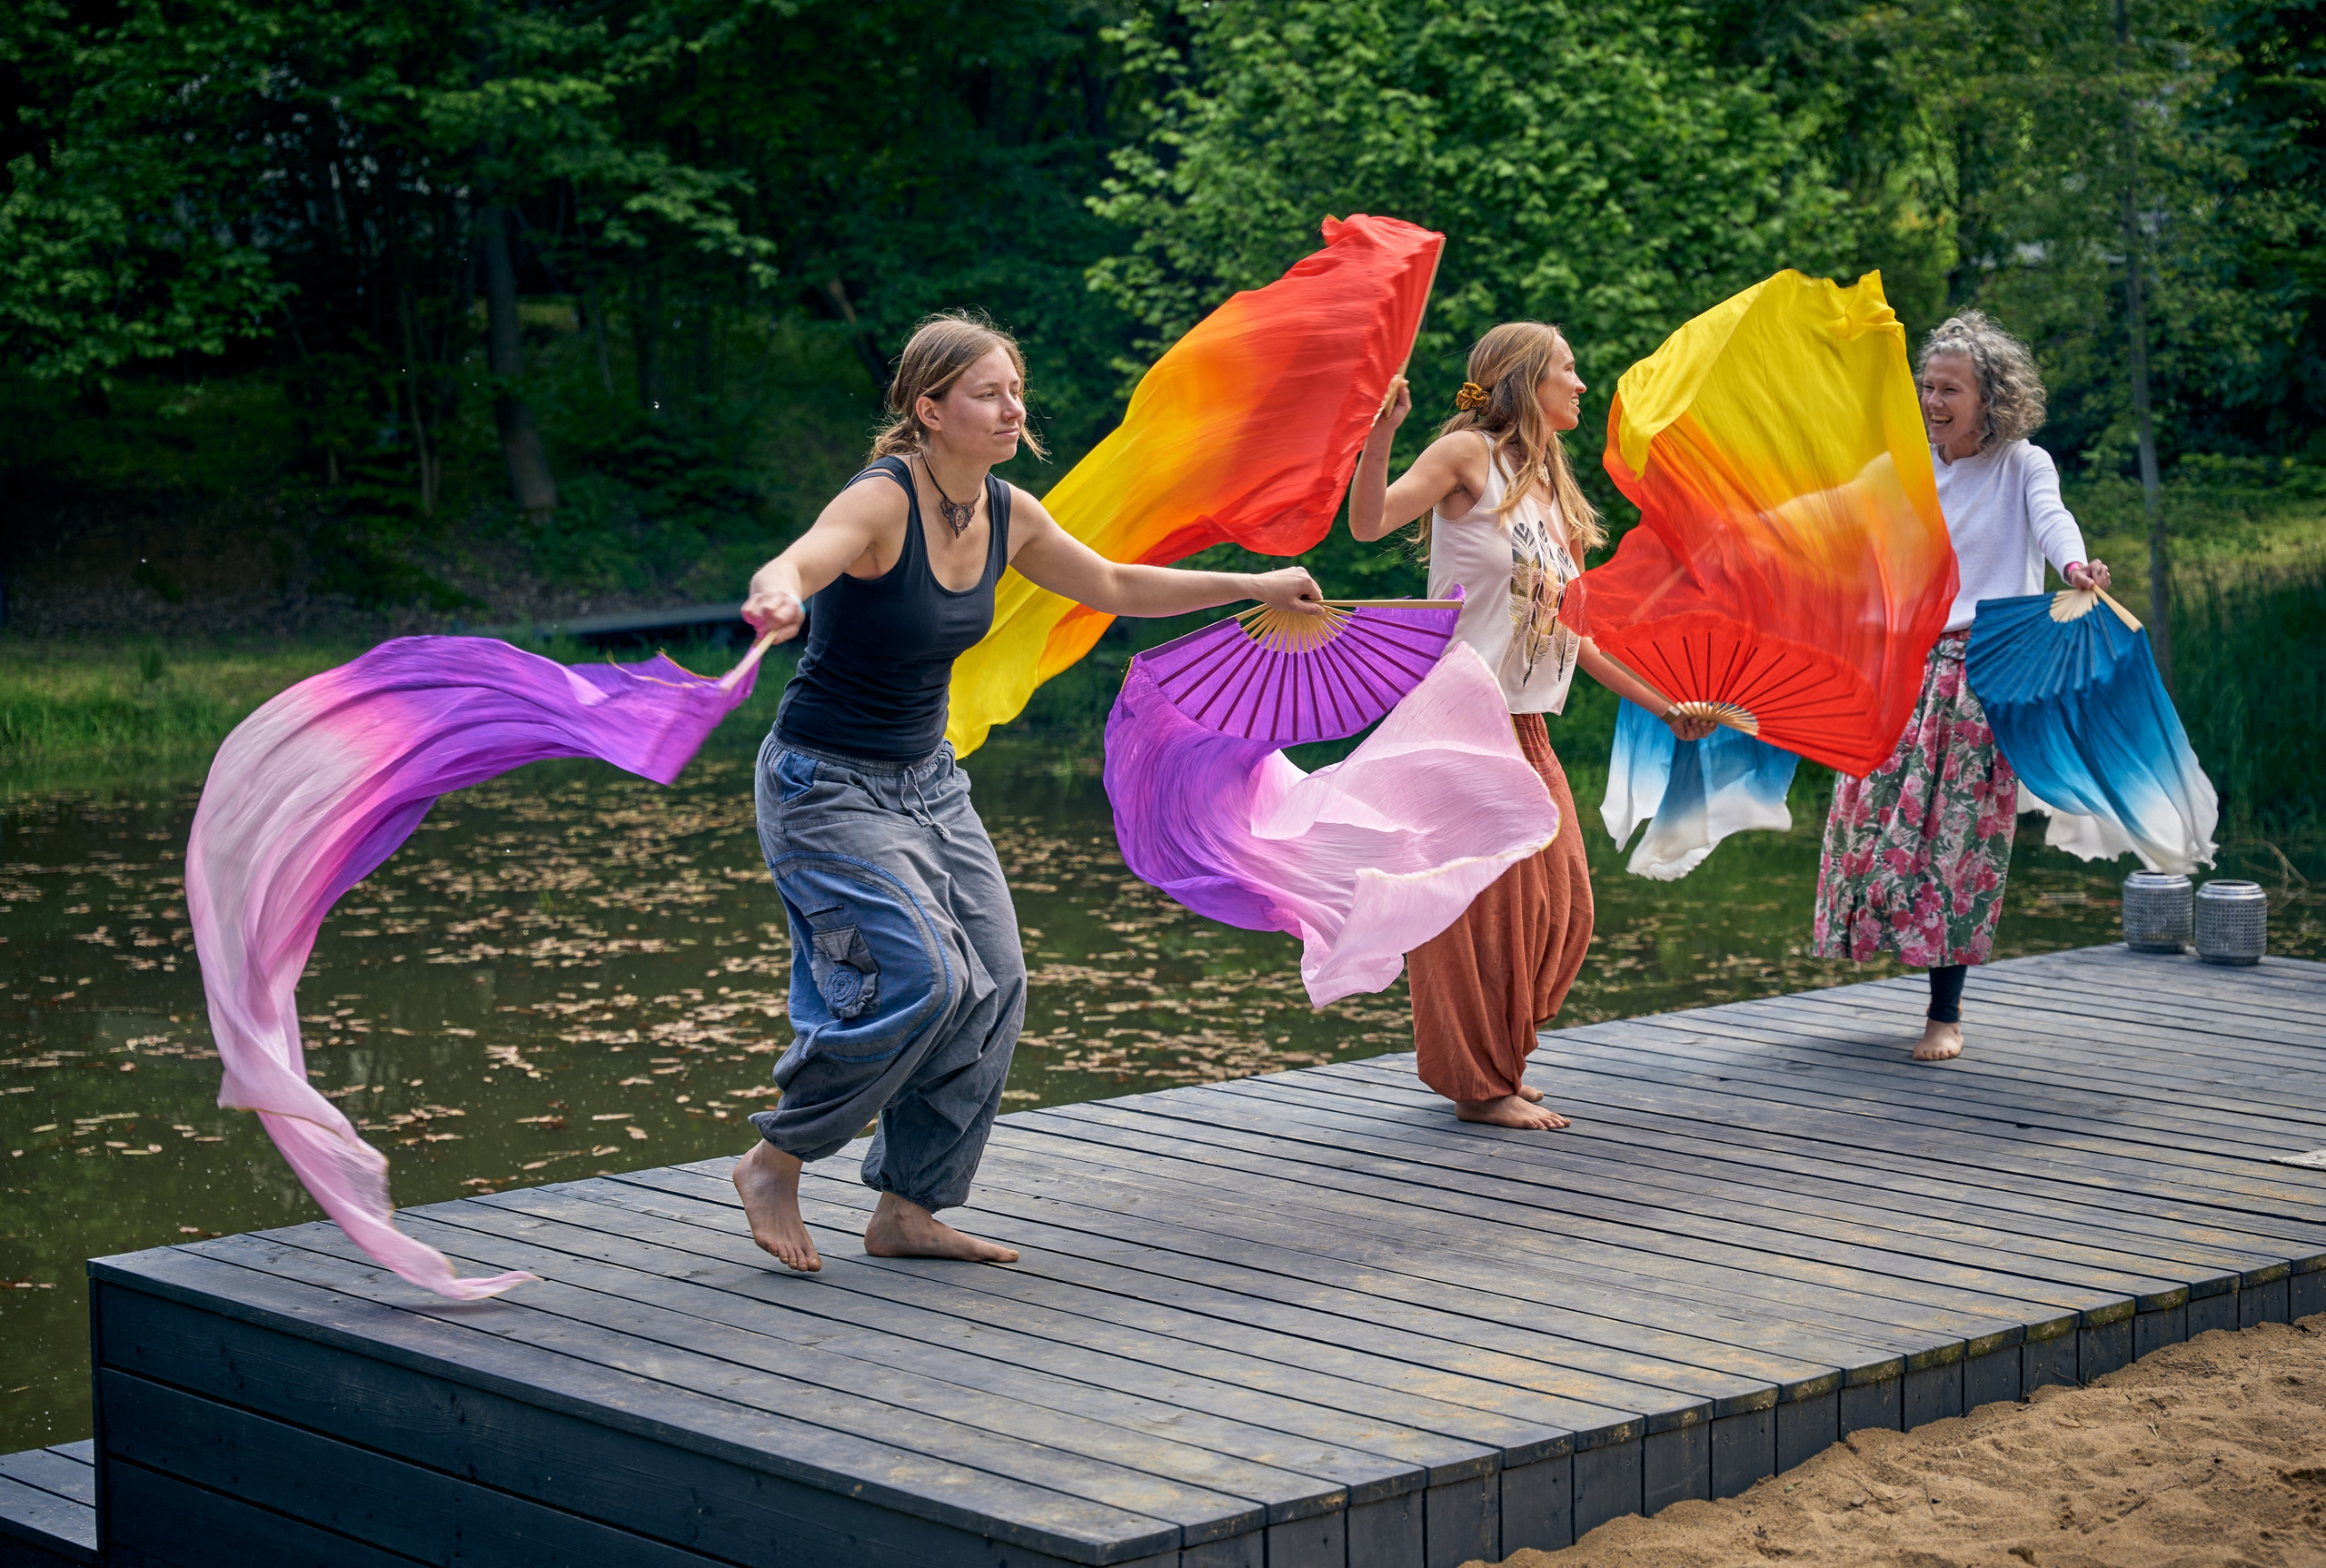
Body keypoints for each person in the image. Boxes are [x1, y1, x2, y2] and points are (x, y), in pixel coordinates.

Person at [732, 312, 1322, 1272]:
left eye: (1015, 391)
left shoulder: (1009, 511)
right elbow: (808, 552)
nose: (1012, 409)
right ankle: (776, 1157)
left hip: (929, 781)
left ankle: (907, 1207)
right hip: (824, 788)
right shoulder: (882, 501)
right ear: (928, 409)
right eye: (987, 394)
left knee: (996, 980)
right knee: (925, 981)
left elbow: (1115, 585)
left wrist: (1250, 585)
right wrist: (778, 590)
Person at [1348, 322, 1712, 1131]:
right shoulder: (1466, 455)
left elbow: (1571, 632)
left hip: (1527, 725)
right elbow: (1368, 523)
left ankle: (1501, 1052)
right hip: (1462, 717)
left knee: (1562, 905)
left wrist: (1662, 707)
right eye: (1568, 371)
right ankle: (1479, 1084)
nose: (1582, 385)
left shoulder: (1548, 486)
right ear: (1523, 382)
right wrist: (1380, 438)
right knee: (1485, 912)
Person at [1813, 310, 2110, 1063]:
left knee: (1959, 843)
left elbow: (2053, 522)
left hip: (1982, 675)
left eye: (1949, 390)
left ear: (1991, 398)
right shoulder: (1906, 466)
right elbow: (1843, 530)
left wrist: (2075, 569)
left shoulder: (2021, 464)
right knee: (1872, 826)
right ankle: (1877, 936)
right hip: (1899, 667)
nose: (1933, 402)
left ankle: (1944, 1013)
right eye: (1927, 386)